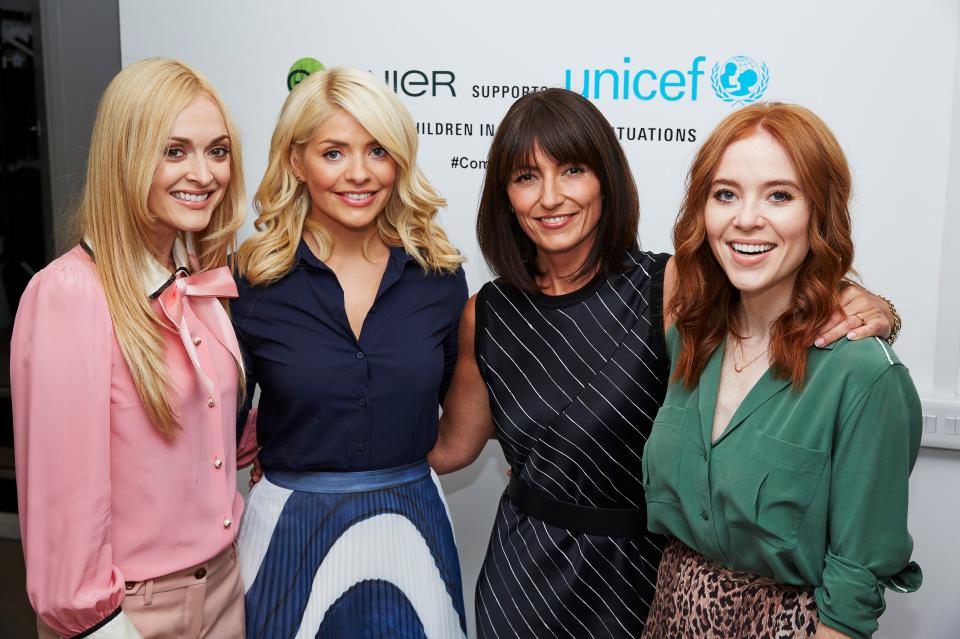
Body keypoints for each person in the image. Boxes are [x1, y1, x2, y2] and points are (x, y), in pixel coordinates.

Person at [428, 89, 898, 638]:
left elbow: (777, 280)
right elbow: (453, 448)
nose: (550, 197)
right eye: (526, 177)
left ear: (606, 180)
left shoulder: (670, 284)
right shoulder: (486, 313)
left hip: (646, 581)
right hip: (523, 578)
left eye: (573, 170)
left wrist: (875, 308)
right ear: (505, 195)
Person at [641, 102, 921, 639]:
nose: (746, 218)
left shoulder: (863, 374)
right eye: (726, 194)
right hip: (671, 614)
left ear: (820, 212)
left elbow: (854, 590)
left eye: (779, 195)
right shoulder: (692, 337)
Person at [12, 58, 247, 638]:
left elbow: (208, 435)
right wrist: (104, 624)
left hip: (223, 588)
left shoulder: (196, 276)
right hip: (131, 613)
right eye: (174, 151)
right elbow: (64, 514)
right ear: (125, 156)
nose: (204, 173)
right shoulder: (70, 294)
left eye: (217, 151)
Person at [232, 66, 468, 638]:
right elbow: (217, 426)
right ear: (296, 161)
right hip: (288, 529)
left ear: (400, 162)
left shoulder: (438, 277)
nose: (359, 173)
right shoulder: (250, 280)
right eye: (333, 153)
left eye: (378, 151)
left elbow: (453, 420)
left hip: (412, 528)